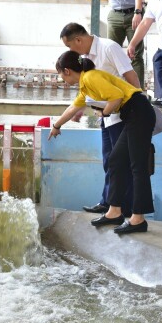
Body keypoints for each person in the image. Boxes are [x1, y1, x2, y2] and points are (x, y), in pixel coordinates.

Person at [49, 50, 155, 234]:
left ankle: (138, 219)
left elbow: (116, 97)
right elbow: (74, 107)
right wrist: (56, 125)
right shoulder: (85, 85)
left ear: (66, 71)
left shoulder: (90, 77)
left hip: (139, 111)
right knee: (116, 160)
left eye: (60, 75)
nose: (62, 80)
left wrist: (104, 113)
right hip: (132, 114)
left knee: (137, 166)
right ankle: (114, 211)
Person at [59, 23, 140, 217]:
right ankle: (108, 203)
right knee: (109, 161)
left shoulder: (108, 48)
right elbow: (90, 90)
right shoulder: (85, 59)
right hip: (106, 116)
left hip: (121, 115)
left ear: (78, 40)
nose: (70, 51)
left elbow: (131, 76)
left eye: (69, 46)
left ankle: (124, 209)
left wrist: (137, 106)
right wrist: (80, 111)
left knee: (122, 163)